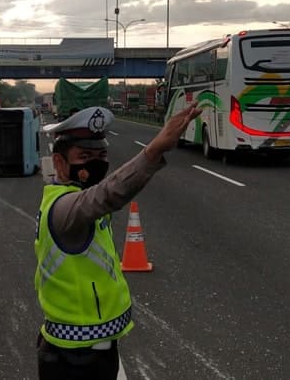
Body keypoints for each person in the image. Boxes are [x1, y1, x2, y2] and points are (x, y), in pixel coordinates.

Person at [34, 102, 201, 379]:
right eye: (84, 156)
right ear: (60, 163)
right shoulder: (65, 208)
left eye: (101, 154)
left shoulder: (77, 195)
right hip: (74, 357)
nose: (95, 163)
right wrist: (154, 150)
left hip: (92, 350)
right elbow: (109, 193)